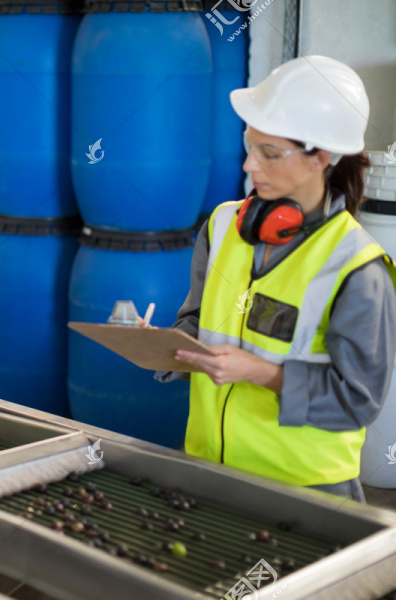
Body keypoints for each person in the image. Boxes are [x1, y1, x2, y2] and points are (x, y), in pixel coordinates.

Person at [151, 55, 396, 503]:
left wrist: (262, 374)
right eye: (250, 147)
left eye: (270, 154)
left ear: (319, 158)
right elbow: (197, 323)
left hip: (307, 493)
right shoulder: (223, 226)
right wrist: (161, 348)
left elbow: (357, 401)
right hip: (211, 473)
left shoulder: (357, 266)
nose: (250, 166)